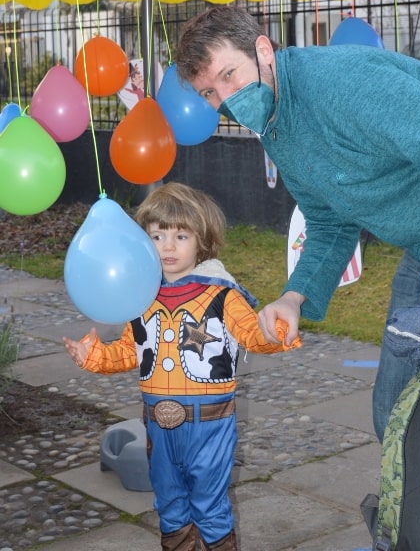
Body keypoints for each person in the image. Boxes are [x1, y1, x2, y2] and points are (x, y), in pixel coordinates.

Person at [174, 6, 420, 444]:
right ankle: (410, 510)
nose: (225, 99)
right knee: (396, 407)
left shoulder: (338, 83)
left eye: (229, 75)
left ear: (263, 49)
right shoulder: (275, 123)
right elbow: (329, 219)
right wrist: (293, 297)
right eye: (209, 92)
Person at [63, 182, 300, 551]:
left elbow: (252, 334)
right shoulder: (141, 295)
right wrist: (93, 356)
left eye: (180, 235)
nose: (168, 246)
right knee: (169, 501)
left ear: (202, 240)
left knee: (209, 501)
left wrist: (277, 330)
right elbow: (130, 349)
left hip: (211, 423)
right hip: (159, 423)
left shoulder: (221, 294)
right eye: (156, 236)